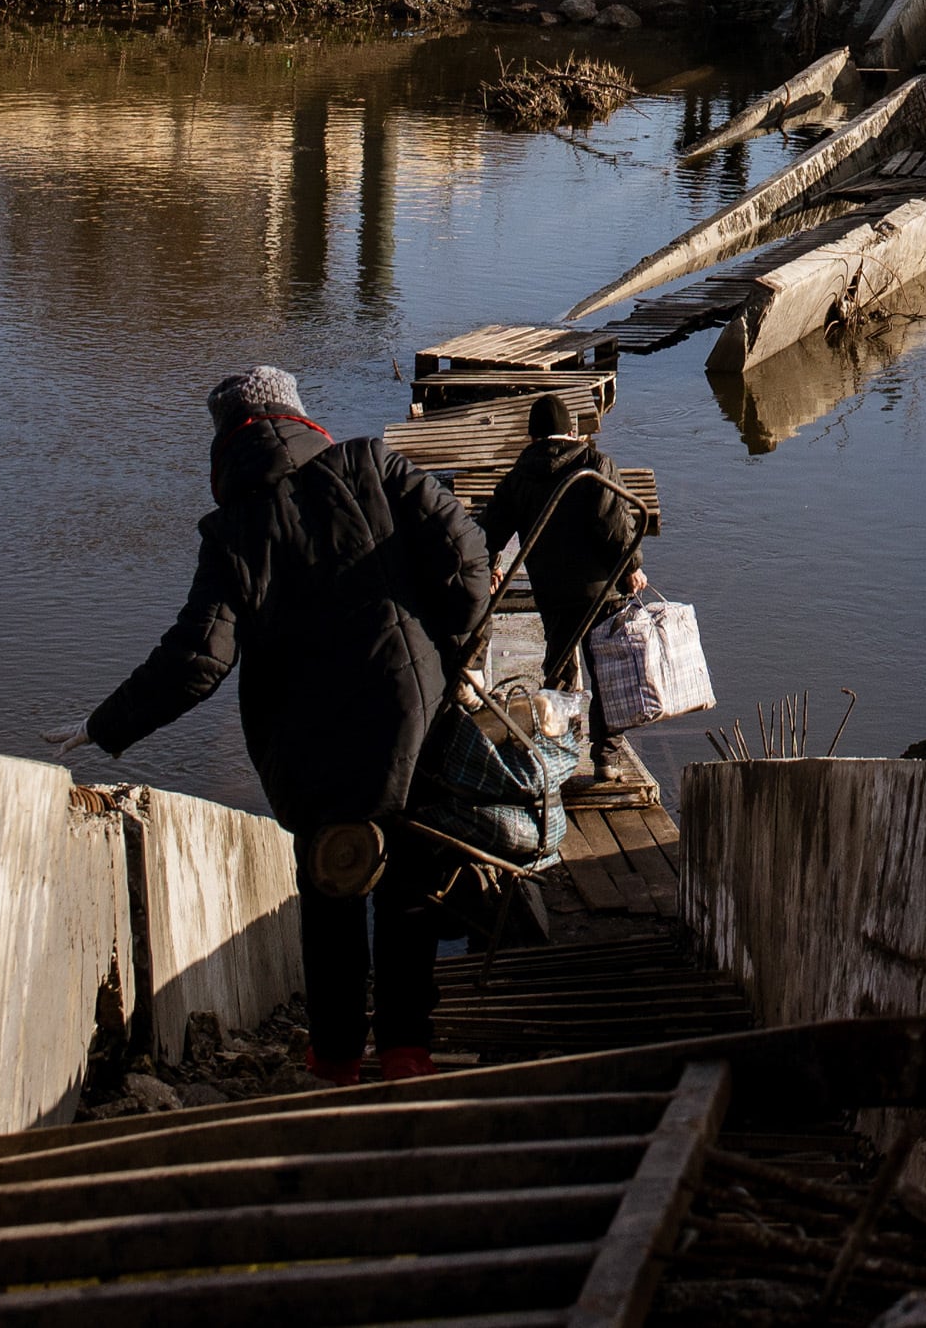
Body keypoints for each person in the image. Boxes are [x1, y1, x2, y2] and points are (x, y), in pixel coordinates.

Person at [58, 366, 488, 1083]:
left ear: (226, 440)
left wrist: (104, 726)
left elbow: (198, 659)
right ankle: (407, 1055)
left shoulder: (231, 532)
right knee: (410, 882)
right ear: (298, 415)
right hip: (409, 720)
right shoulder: (373, 466)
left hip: (307, 749)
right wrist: (452, 648)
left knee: (331, 888)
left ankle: (336, 1063)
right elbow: (467, 555)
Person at [478, 394, 652, 787]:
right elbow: (614, 527)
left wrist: (491, 565)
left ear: (532, 436)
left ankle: (555, 755)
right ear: (573, 431)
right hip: (602, 592)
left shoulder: (519, 476)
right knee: (607, 672)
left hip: (552, 592)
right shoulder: (595, 464)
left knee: (558, 672)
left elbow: (489, 531)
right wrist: (631, 568)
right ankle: (606, 760)